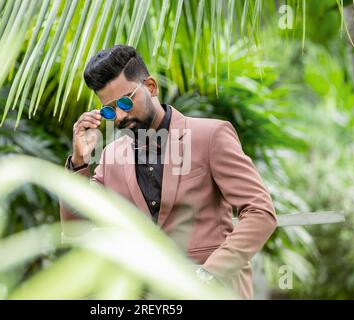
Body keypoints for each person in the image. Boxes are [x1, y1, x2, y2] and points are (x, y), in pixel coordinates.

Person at [59, 45, 277, 299]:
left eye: (125, 102)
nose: (119, 116)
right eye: (109, 110)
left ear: (151, 87)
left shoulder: (211, 136)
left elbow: (260, 212)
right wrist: (79, 161)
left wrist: (209, 274)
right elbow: (76, 229)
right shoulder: (110, 157)